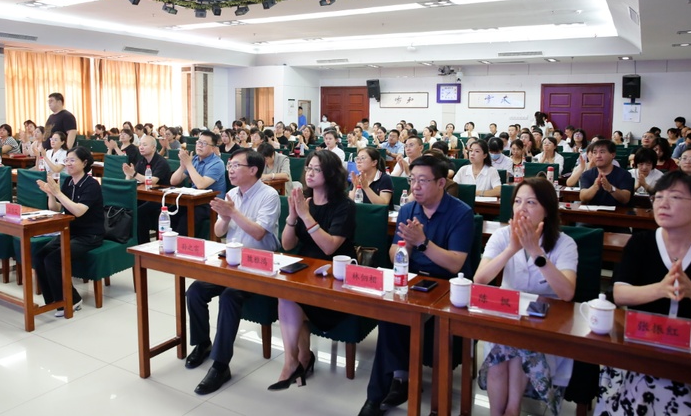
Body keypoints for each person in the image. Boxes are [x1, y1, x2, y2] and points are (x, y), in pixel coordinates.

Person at [358, 155, 474, 416]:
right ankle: (379, 394)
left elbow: (455, 264)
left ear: (442, 182)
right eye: (412, 180)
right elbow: (393, 254)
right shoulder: (409, 209)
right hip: (412, 281)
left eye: (423, 180)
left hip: (447, 287)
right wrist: (406, 248)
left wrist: (422, 243)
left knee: (431, 327)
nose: (415, 186)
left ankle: (428, 397)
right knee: (389, 317)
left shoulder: (461, 213)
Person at [594, 171, 691, 415]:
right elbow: (620, 294)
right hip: (643, 344)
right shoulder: (642, 242)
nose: (663, 203)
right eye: (658, 197)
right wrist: (660, 289)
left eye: (675, 197)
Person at [474, 178, 578, 416]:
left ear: (547, 210)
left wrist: (535, 251)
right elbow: (480, 279)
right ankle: (507, 411)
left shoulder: (565, 244)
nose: (521, 209)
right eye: (518, 201)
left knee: (514, 347)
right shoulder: (502, 236)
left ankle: (512, 409)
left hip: (546, 322)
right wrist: (512, 248)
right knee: (504, 350)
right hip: (508, 314)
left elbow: (566, 292)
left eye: (530, 202)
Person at [184, 149, 280, 394]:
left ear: (253, 170)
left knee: (229, 296)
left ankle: (220, 364)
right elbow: (218, 232)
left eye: (237, 165)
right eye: (230, 165)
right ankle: (203, 344)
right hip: (233, 262)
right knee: (195, 291)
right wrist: (225, 217)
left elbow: (259, 233)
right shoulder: (231, 193)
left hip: (260, 264)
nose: (231, 169)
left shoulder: (269, 195)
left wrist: (233, 212)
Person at [272, 150, 356, 391]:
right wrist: (291, 217)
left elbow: (329, 247)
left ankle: (298, 360)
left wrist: (306, 216)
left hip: (335, 276)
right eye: (308, 167)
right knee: (287, 291)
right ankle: (296, 359)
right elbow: (287, 245)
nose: (309, 172)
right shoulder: (303, 202)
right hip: (305, 272)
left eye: (316, 169)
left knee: (291, 296)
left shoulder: (345, 206)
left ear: (330, 173)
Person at [35, 146, 103, 316]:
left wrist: (58, 193)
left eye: (72, 160)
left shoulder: (91, 184)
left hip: (90, 235)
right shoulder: (67, 182)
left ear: (84, 163)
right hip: (70, 231)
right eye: (67, 160)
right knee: (40, 255)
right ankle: (53, 300)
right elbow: (56, 208)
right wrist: (51, 194)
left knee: (53, 259)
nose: (68, 164)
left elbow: (78, 211)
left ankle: (71, 300)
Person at [168, 131, 226, 237]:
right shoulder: (194, 159)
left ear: (213, 148)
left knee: (186, 219)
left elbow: (201, 185)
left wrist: (188, 164)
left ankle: (182, 249)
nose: (199, 145)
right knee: (171, 213)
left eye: (204, 143)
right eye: (198, 142)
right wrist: (182, 166)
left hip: (211, 204)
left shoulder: (217, 163)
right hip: (194, 201)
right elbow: (173, 181)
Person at [124, 134, 172, 243]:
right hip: (146, 195)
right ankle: (131, 241)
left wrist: (134, 173)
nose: (141, 147)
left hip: (161, 198)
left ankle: (143, 243)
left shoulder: (161, 162)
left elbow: (152, 181)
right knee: (128, 207)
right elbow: (131, 178)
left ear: (154, 148)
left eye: (144, 145)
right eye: (140, 144)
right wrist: (128, 174)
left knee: (139, 212)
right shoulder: (142, 161)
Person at [579, 139, 633, 206]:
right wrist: (594, 187)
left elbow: (625, 199)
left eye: (602, 152)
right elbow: (583, 197)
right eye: (595, 152)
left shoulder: (624, 174)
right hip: (593, 214)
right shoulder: (586, 174)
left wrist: (610, 188)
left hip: (617, 214)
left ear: (612, 155)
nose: (598, 156)